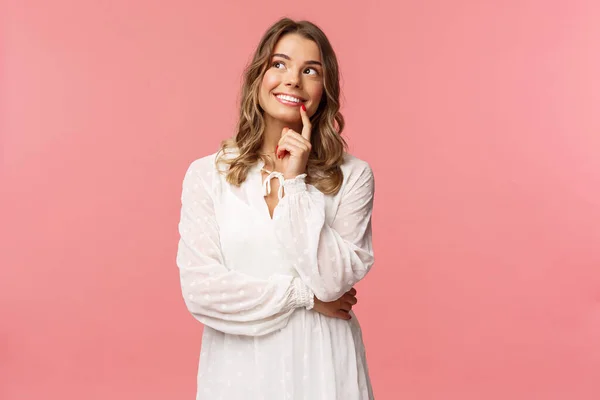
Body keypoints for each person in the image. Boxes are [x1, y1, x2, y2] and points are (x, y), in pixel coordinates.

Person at [176, 17, 376, 399]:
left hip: (325, 368)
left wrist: (295, 183)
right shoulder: (208, 175)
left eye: (310, 70)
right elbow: (202, 291)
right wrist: (305, 298)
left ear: (324, 89)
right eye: (279, 64)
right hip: (240, 373)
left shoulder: (353, 176)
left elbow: (332, 282)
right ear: (258, 77)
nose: (293, 80)